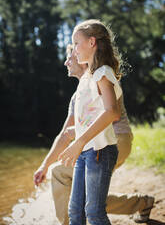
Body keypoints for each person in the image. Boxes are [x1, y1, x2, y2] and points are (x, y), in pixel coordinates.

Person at [34, 43, 154, 224]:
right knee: (84, 193)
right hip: (98, 143)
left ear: (82, 59)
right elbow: (65, 134)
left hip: (113, 140)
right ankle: (141, 202)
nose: (66, 62)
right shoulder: (77, 96)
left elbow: (110, 114)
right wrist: (43, 166)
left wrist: (77, 139)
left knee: (60, 172)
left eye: (69, 57)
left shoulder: (101, 78)